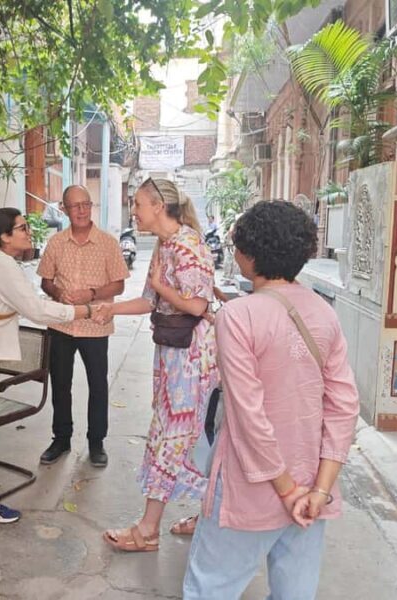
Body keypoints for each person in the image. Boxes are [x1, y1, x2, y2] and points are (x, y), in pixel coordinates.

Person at [183, 201, 359, 599]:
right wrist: (317, 491)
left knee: (210, 587)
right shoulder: (322, 311)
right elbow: (345, 406)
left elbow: (248, 415)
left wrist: (286, 489)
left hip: (254, 485)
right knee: (295, 591)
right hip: (313, 484)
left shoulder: (239, 316)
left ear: (248, 255)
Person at [0, 208, 98, 525]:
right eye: (22, 228)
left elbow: (28, 302)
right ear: (4, 236)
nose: (29, 232)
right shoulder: (0, 264)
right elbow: (36, 311)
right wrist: (85, 311)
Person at [94, 178, 218, 551]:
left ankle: (149, 531)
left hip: (191, 358)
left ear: (158, 206)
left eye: (138, 204)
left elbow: (196, 305)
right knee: (182, 435)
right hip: (171, 353)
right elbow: (150, 300)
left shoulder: (188, 246)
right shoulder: (166, 246)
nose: (134, 211)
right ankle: (209, 515)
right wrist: (111, 308)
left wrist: (162, 288)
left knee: (176, 437)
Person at [37, 185, 130, 468]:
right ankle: (61, 439)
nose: (81, 211)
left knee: (97, 385)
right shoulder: (55, 243)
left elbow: (119, 283)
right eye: (74, 206)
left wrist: (90, 294)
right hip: (62, 324)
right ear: (64, 210)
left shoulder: (108, 243)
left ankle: (96, 442)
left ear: (91, 207)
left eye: (85, 204)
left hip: (95, 324)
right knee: (60, 384)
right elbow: (45, 279)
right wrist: (57, 293)